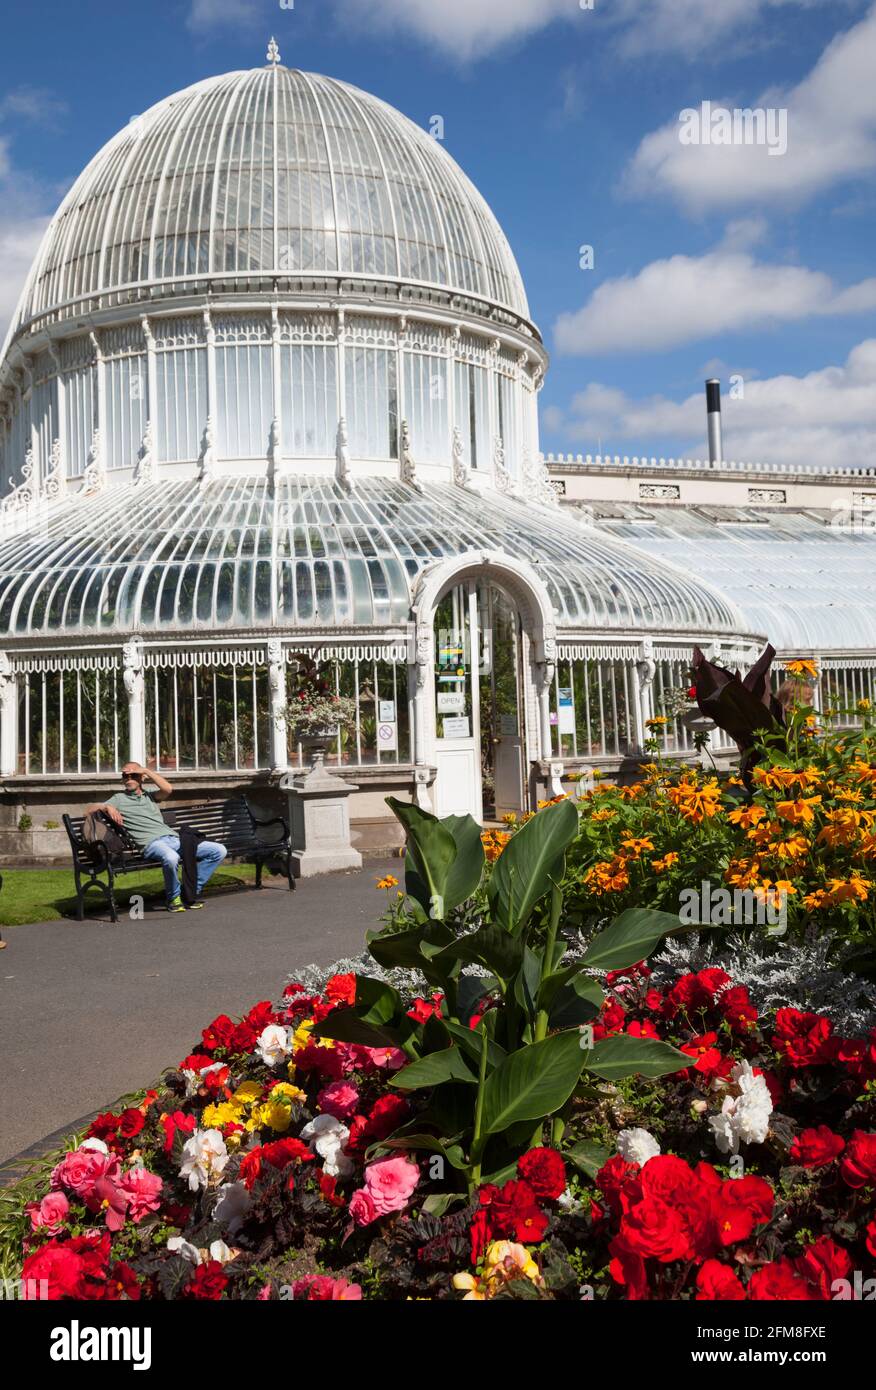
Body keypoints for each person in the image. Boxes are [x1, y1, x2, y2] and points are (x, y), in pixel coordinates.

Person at [84, 763, 227, 913]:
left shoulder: (150, 795)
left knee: (219, 850)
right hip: (151, 844)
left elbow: (168, 789)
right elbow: (87, 811)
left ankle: (188, 891)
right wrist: (107, 807)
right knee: (171, 858)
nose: (128, 779)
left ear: (142, 778)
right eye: (125, 776)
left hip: (174, 839)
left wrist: (146, 771)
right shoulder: (118, 798)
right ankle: (173, 898)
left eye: (133, 775)